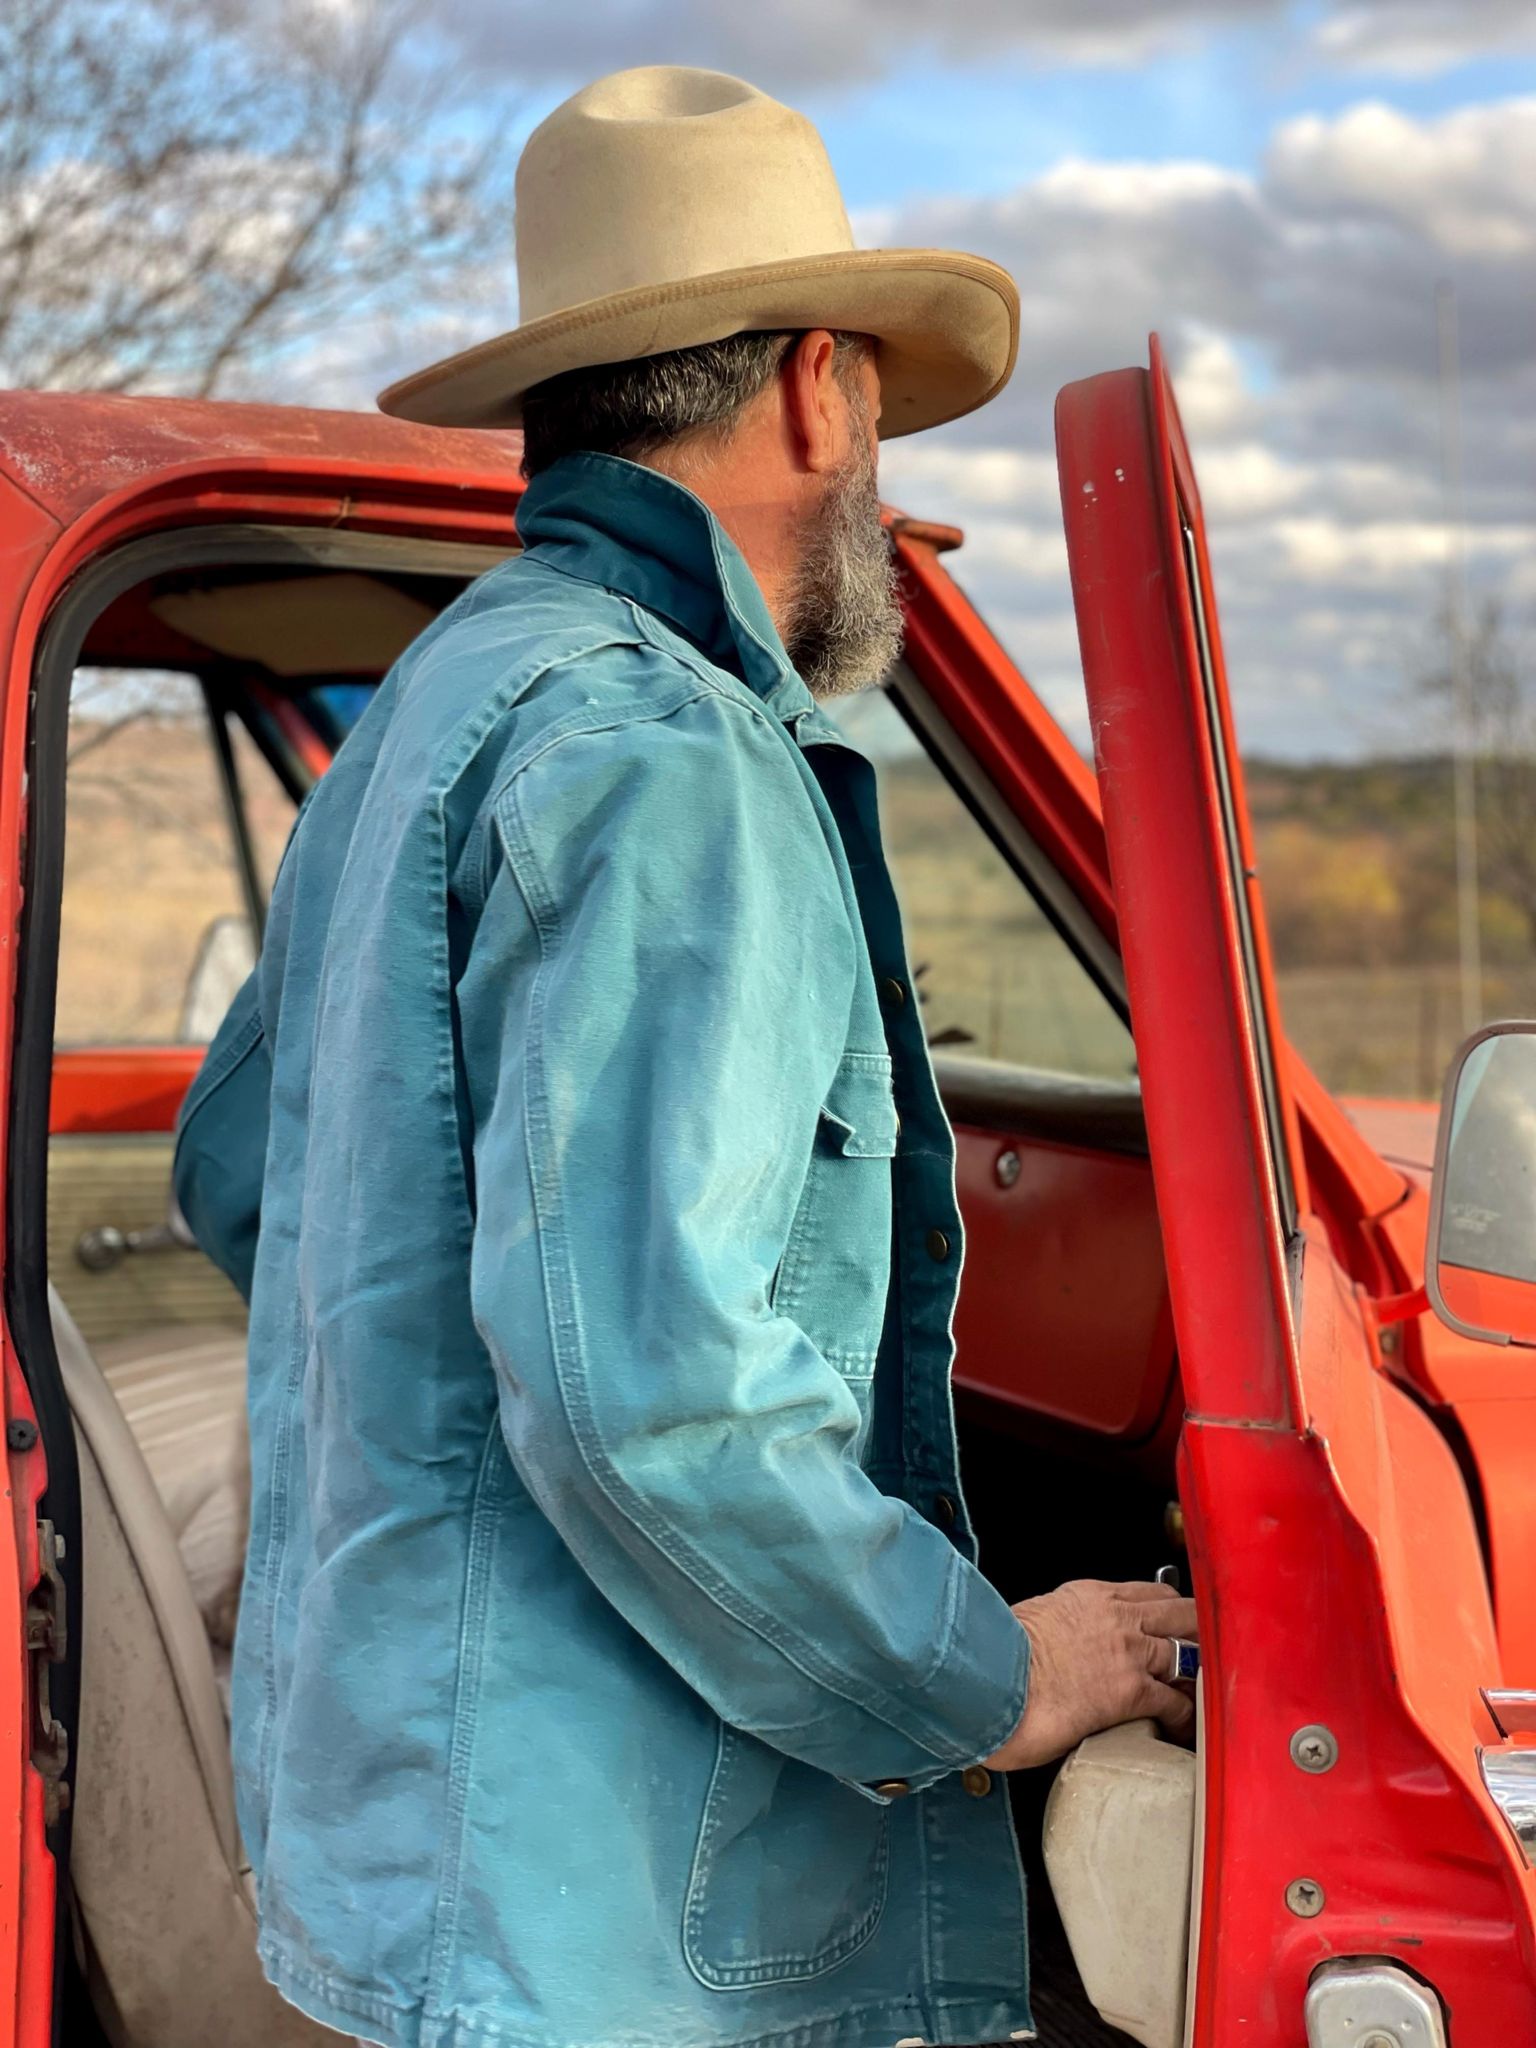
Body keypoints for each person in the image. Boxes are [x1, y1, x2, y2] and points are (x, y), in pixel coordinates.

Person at [175, 64, 1197, 2048]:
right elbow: (656, 1402)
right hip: (618, 1929)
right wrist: (995, 1675)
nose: (877, 464)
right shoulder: (668, 755)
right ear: (820, 388)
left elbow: (244, 1167)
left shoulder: (438, 695)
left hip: (412, 1856)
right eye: (881, 413)